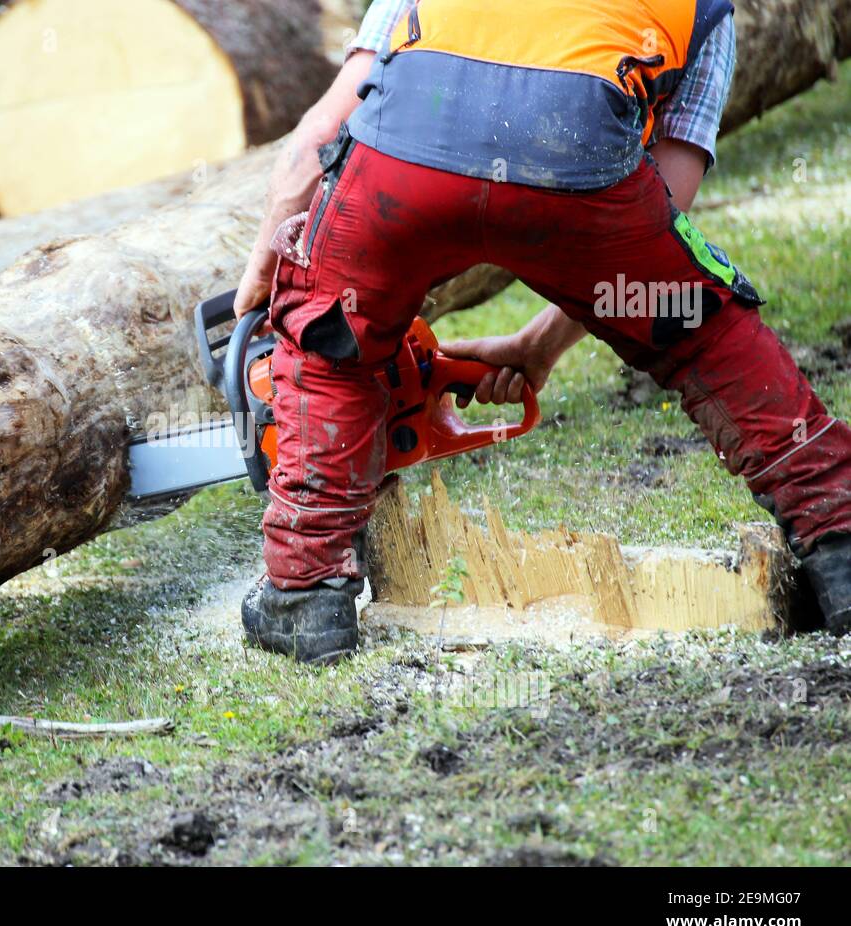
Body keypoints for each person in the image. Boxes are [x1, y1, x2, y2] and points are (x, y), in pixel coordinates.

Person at [234, 0, 851, 664]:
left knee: (332, 343)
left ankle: (306, 592)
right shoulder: (708, 12)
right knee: (701, 331)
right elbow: (665, 207)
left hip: (400, 163)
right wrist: (544, 343)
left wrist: (268, 298)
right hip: (581, 159)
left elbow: (316, 139)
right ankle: (838, 539)